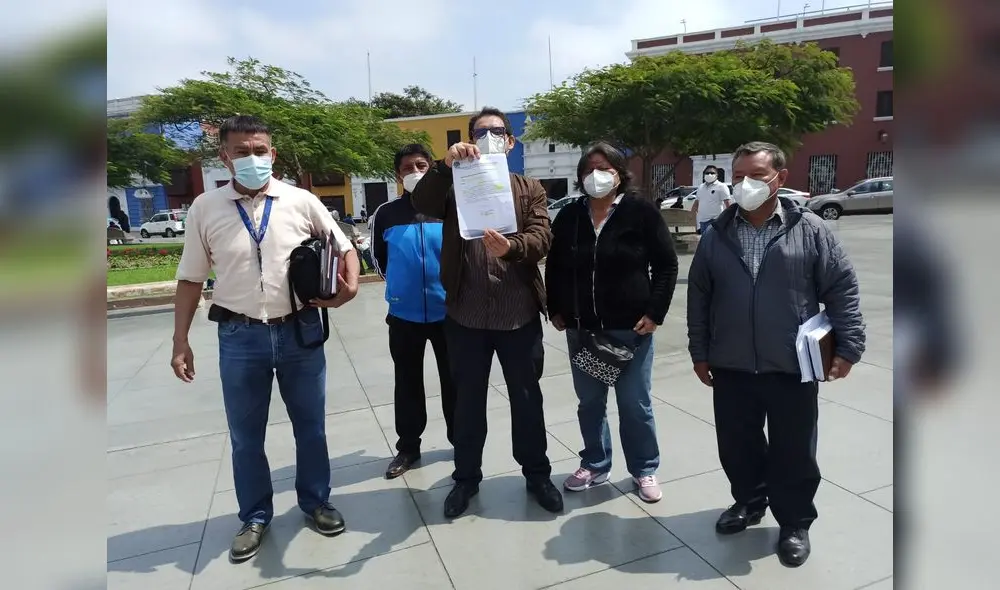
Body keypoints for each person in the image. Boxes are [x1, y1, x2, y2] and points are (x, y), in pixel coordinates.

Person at [170, 115, 361, 564]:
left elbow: (344, 245)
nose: (252, 159)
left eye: (260, 151)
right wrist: (180, 340)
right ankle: (254, 515)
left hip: (299, 331)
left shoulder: (300, 201)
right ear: (224, 156)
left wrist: (349, 285)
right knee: (244, 435)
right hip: (240, 336)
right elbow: (190, 278)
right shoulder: (205, 208)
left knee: (310, 426)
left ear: (272, 154)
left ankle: (316, 502)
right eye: (241, 151)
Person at [686, 141, 865, 568]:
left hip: (792, 363)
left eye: (757, 176)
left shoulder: (811, 229)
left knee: (794, 449)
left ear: (780, 179)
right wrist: (700, 350)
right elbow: (699, 298)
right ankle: (748, 502)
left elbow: (841, 289)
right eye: (739, 176)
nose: (745, 184)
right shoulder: (717, 235)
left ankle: (794, 522)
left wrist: (850, 346)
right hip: (731, 363)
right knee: (737, 445)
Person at [410, 107, 562, 518]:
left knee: (527, 399)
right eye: (481, 132)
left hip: (518, 314)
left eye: (497, 132)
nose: (489, 138)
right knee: (467, 402)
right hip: (466, 316)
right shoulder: (455, 185)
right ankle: (465, 478)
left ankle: (536, 473)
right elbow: (420, 203)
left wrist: (512, 248)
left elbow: (543, 236)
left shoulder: (529, 187)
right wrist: (443, 168)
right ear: (470, 140)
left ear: (511, 143)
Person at [545, 142, 679, 503]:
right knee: (590, 402)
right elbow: (555, 265)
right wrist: (555, 307)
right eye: (588, 169)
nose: (596, 176)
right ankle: (594, 462)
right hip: (583, 330)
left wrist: (655, 313)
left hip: (630, 330)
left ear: (620, 174)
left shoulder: (640, 212)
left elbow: (666, 265)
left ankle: (644, 468)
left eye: (604, 168)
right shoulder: (571, 216)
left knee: (634, 403)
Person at [369, 144, 457, 479]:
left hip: (449, 314)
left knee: (454, 381)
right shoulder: (387, 213)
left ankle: (459, 442)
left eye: (422, 164)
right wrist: (400, 290)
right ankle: (408, 447)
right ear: (398, 175)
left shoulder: (449, 206)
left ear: (433, 168)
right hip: (404, 316)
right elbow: (378, 258)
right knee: (406, 382)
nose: (415, 171)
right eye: (407, 167)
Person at [691, 165, 732, 234]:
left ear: (717, 175)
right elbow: (696, 204)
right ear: (704, 174)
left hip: (715, 220)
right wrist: (693, 222)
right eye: (707, 173)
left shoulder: (721, 186)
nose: (709, 174)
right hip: (702, 221)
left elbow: (728, 204)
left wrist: (729, 220)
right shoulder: (701, 187)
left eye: (712, 173)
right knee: (705, 243)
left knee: (714, 243)